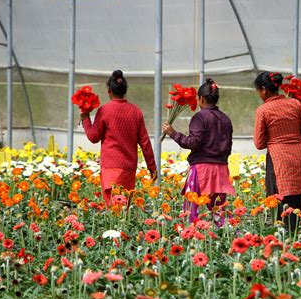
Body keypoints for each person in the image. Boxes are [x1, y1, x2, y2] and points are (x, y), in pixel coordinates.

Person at [162, 78, 235, 226]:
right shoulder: (225, 119)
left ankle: (194, 239)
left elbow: (193, 142)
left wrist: (173, 133)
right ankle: (221, 240)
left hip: (202, 170)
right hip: (221, 170)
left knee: (194, 211)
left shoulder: (200, 117)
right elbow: (228, 145)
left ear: (201, 99)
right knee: (217, 211)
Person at [81, 70, 157, 207]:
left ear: (109, 91)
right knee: (124, 209)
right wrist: (152, 168)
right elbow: (145, 143)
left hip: (110, 167)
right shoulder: (136, 111)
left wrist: (85, 118)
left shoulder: (104, 110)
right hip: (128, 168)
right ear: (125, 90)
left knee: (112, 208)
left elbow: (93, 137)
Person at [253, 71, 301, 232]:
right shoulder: (296, 104)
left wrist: (276, 138)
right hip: (299, 157)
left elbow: (259, 143)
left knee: (279, 203)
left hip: (278, 158)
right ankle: (295, 239)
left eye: (258, 91)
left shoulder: (263, 110)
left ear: (264, 90)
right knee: (296, 202)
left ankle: (283, 242)